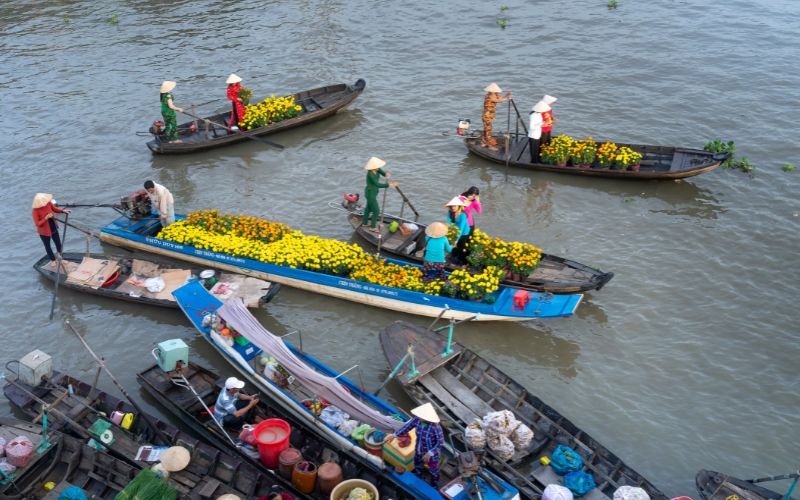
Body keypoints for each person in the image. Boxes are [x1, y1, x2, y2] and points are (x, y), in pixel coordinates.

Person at [390, 403, 444, 487]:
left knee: (433, 470)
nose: (418, 416)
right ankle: (419, 476)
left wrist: (430, 453)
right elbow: (407, 427)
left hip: (432, 453)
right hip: (419, 448)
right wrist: (394, 435)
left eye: (421, 415)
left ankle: (434, 484)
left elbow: (440, 443)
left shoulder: (436, 428)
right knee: (417, 463)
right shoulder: (417, 419)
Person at [32, 193, 71, 269]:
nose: (45, 202)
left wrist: (63, 211)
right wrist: (46, 218)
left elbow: (55, 209)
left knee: (58, 243)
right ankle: (53, 260)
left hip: (53, 226)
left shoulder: (48, 203)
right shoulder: (35, 211)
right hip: (44, 231)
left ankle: (61, 258)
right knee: (48, 246)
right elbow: (37, 224)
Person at [361, 157, 399, 233]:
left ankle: (364, 223)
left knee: (368, 209)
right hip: (370, 194)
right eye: (377, 166)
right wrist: (389, 184)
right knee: (376, 211)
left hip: (373, 193)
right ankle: (373, 227)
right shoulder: (370, 174)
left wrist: (386, 174)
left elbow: (383, 173)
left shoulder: (377, 169)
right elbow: (377, 184)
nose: (378, 167)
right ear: (373, 167)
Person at [480, 83, 512, 149]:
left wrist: (506, 95)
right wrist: (507, 97)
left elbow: (500, 98)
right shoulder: (490, 96)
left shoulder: (494, 94)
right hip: (487, 115)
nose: (497, 92)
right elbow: (498, 100)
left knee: (487, 128)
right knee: (488, 129)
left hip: (490, 115)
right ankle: (488, 143)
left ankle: (484, 142)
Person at [445, 196, 470, 266]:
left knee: (460, 247)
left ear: (459, 206)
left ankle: (458, 261)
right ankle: (452, 257)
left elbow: (461, 229)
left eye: (455, 206)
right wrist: (447, 232)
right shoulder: (450, 212)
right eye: (452, 206)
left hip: (464, 232)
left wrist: (456, 240)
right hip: (455, 230)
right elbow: (448, 223)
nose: (453, 208)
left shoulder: (463, 215)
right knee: (453, 246)